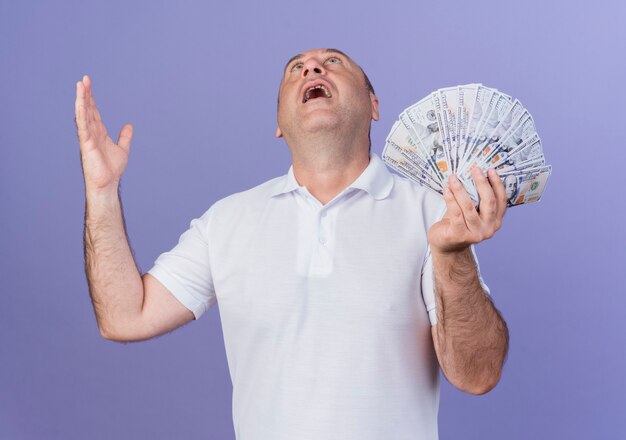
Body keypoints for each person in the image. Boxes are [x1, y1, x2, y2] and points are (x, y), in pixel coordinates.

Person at [75, 48, 509, 440]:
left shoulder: (433, 215)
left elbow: (478, 375)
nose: (313, 68)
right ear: (279, 125)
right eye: (295, 69)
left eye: (333, 62)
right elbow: (123, 318)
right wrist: (102, 190)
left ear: (374, 105)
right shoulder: (226, 221)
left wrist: (452, 254)